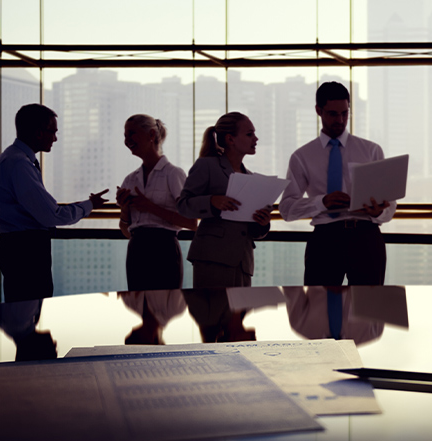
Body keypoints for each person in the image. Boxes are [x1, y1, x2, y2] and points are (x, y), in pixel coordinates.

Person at [0, 103, 108, 302]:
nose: (55, 138)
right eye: (52, 132)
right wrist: (89, 206)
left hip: (15, 247)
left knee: (22, 314)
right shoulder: (20, 164)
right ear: (38, 133)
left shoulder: (8, 159)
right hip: (27, 252)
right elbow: (52, 215)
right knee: (32, 314)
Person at [280, 81, 395, 285]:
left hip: (366, 238)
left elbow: (390, 205)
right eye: (333, 114)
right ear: (318, 111)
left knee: (368, 311)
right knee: (318, 309)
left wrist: (379, 212)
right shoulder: (302, 156)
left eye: (345, 113)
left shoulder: (371, 151)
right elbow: (287, 209)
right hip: (325, 239)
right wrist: (322, 202)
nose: (340, 120)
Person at [177, 112, 273, 288]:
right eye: (249, 134)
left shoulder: (250, 177)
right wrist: (212, 201)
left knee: (238, 314)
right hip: (212, 258)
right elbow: (183, 205)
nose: (256, 138)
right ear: (230, 139)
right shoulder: (207, 165)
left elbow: (252, 230)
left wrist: (262, 223)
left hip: (243, 262)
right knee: (214, 313)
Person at [116, 114, 196, 291]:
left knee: (164, 309)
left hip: (164, 250)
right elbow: (126, 231)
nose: (127, 140)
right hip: (136, 249)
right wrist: (125, 209)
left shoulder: (173, 174)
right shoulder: (130, 179)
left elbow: (191, 223)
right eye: (125, 136)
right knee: (139, 308)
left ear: (151, 135)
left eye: (131, 134)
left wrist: (149, 206)